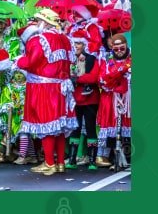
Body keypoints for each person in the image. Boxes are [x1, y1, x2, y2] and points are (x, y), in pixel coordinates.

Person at [16, 9, 77, 176]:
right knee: (59, 127)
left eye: (38, 21)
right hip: (61, 87)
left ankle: (49, 162)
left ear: (45, 22)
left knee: (47, 125)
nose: (37, 24)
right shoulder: (65, 39)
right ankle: (59, 163)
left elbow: (30, 62)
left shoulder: (39, 40)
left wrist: (17, 60)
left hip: (43, 88)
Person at [65, 29, 100, 170]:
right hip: (75, 99)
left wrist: (76, 79)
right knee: (75, 129)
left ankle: (92, 161)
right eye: (74, 43)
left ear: (84, 45)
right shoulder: (68, 60)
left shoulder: (91, 59)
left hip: (90, 99)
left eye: (78, 43)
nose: (76, 46)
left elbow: (93, 77)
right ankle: (72, 160)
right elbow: (64, 74)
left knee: (91, 128)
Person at [95, 33, 131, 168]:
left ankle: (126, 156)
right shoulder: (106, 58)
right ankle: (104, 155)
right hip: (110, 98)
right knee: (110, 126)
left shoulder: (132, 57)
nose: (120, 52)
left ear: (126, 46)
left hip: (128, 97)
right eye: (116, 49)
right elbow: (102, 78)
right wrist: (118, 74)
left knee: (126, 128)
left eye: (122, 48)